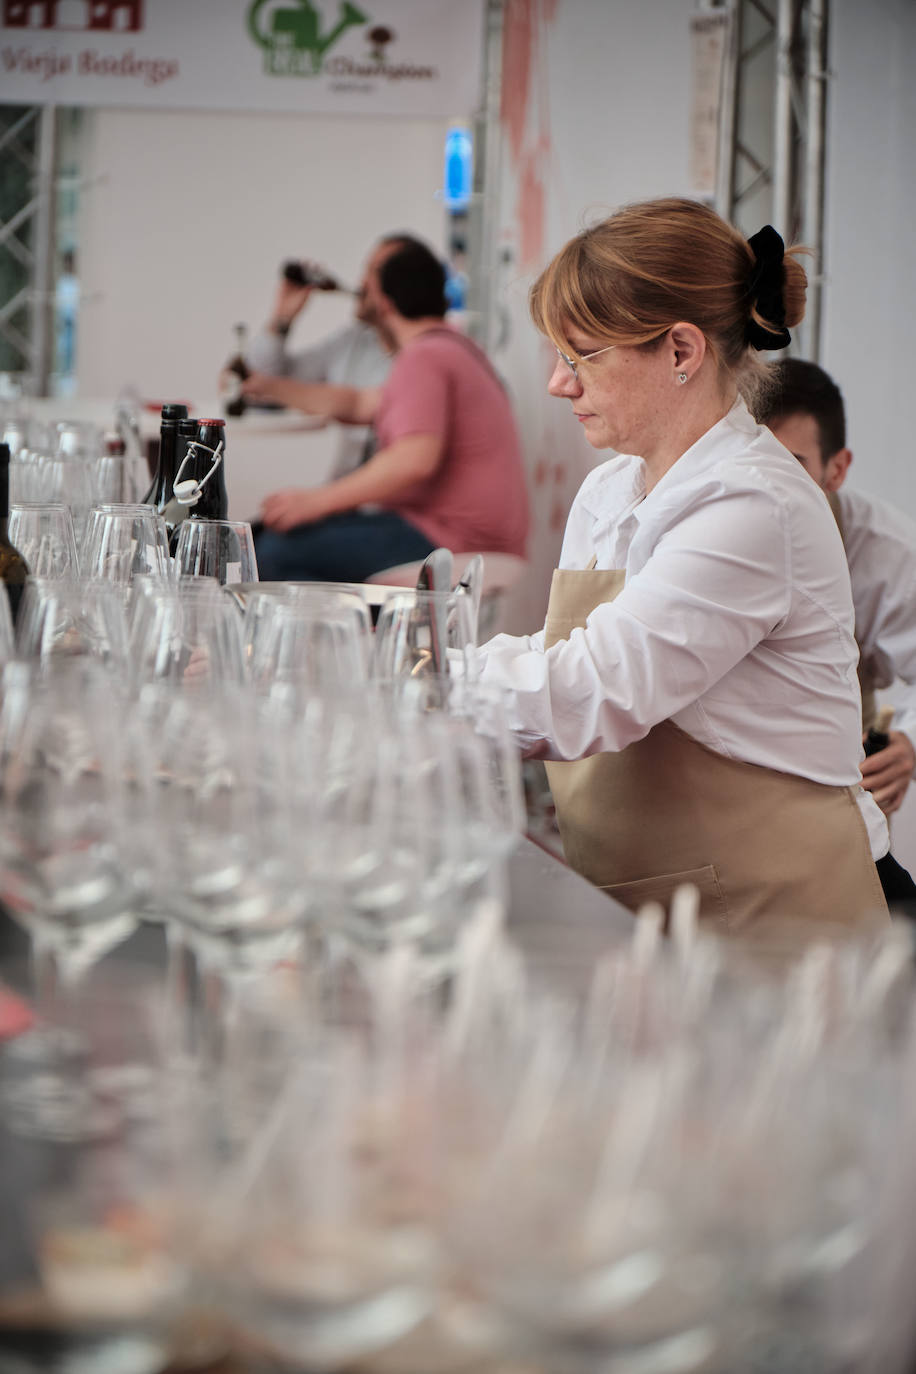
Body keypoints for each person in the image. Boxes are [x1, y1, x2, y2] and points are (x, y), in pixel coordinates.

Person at [473, 196, 889, 940]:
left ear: (680, 351)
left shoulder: (754, 506)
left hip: (774, 929)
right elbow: (559, 658)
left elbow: (589, 689)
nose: (559, 386)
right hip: (661, 912)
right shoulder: (611, 488)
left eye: (581, 358)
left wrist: (402, 680)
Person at [242, 237, 529, 583]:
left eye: (368, 281)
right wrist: (267, 387)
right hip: (471, 537)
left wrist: (315, 502)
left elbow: (413, 459)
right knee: (263, 536)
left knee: (273, 552)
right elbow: (360, 403)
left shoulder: (424, 357)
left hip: (451, 540)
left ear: (384, 300)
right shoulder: (453, 349)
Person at [758, 358, 916, 915]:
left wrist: (910, 744)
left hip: (843, 789)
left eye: (792, 466)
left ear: (837, 468)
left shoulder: (887, 553)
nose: (767, 488)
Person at [245, 236, 402, 478]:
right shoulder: (353, 340)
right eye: (365, 271)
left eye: (375, 273)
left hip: (387, 505)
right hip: (344, 496)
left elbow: (356, 405)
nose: (362, 282)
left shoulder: (424, 356)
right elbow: (262, 380)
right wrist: (282, 318)